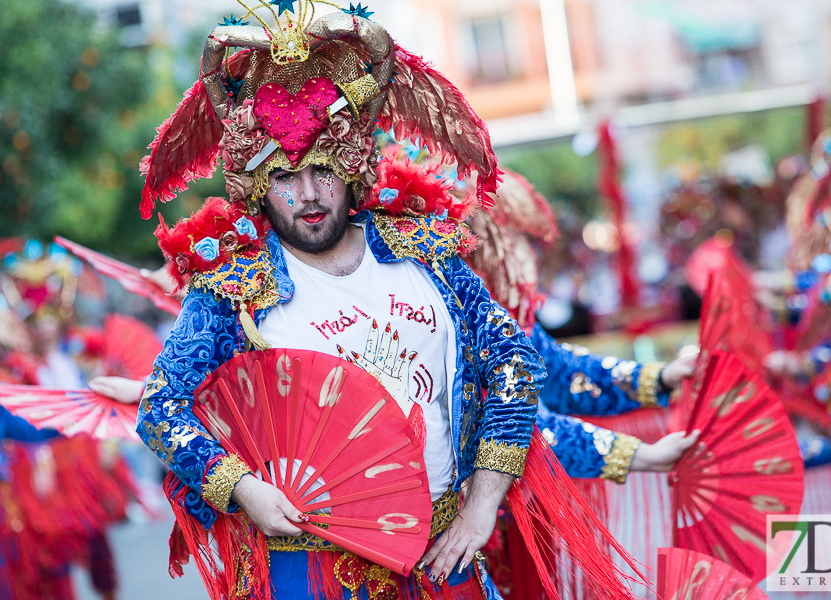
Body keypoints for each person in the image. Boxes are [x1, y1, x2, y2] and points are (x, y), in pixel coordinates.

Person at [135, 5, 636, 599]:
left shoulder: (424, 253)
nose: (307, 195)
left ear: (353, 170)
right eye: (282, 178)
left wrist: (481, 505)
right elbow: (161, 407)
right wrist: (245, 489)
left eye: (322, 171)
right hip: (312, 567)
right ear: (256, 186)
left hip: (445, 557)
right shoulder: (233, 290)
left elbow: (515, 364)